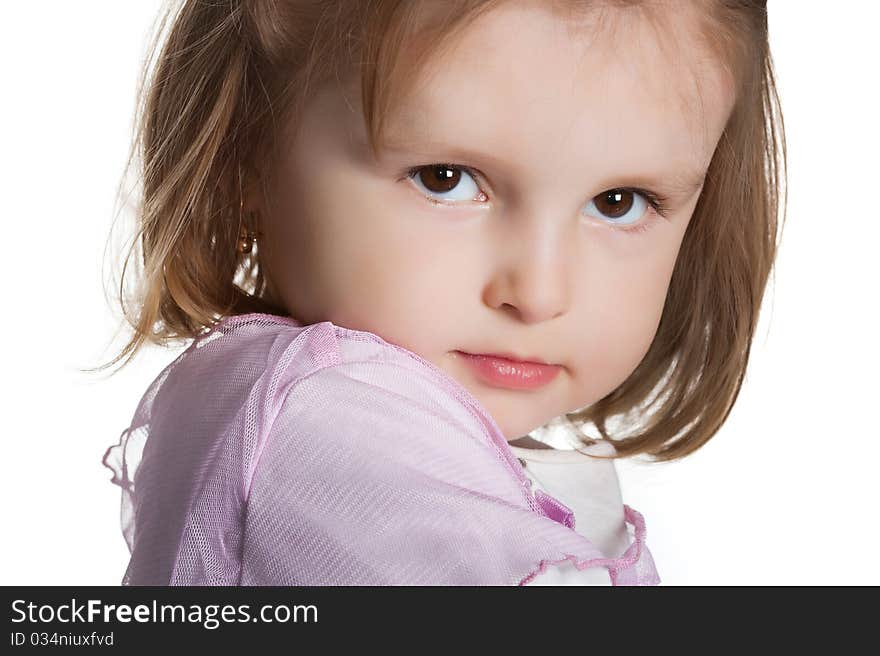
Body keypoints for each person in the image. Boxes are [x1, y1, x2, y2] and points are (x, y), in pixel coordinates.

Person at [96, 0, 786, 586]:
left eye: (618, 201)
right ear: (245, 156)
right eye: (446, 179)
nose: (540, 293)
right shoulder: (323, 409)